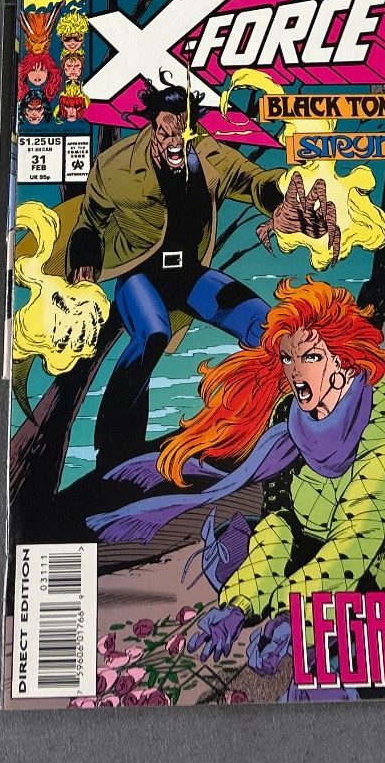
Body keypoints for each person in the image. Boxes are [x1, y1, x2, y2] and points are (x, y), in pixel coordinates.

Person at [92, 279, 385, 681]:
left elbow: (356, 541)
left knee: (372, 670)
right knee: (234, 555)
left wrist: (291, 614)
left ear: (343, 361)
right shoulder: (290, 420)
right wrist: (238, 605)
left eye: (311, 356)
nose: (296, 371)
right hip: (311, 566)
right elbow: (279, 524)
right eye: (288, 358)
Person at [67, 80, 335, 474]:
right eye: (165, 133)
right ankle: (114, 450)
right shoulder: (117, 166)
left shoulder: (208, 155)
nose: (175, 142)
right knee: (152, 333)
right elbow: (90, 220)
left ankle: (276, 424)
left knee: (268, 326)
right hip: (139, 276)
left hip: (189, 277)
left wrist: (282, 204)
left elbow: (251, 180)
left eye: (183, 132)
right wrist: (85, 260)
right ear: (152, 128)